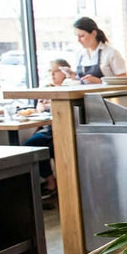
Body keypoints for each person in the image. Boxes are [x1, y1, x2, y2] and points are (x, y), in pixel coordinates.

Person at [24, 59, 76, 199]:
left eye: (56, 71)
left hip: (66, 130)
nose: (52, 75)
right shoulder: (47, 88)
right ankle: (50, 182)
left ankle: (66, 188)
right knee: (31, 146)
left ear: (65, 72)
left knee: (58, 148)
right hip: (48, 129)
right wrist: (41, 107)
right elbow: (39, 108)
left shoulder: (72, 87)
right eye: (50, 72)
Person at [73, 17, 127, 84]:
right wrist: (72, 75)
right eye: (76, 36)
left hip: (107, 93)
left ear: (94, 33)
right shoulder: (79, 54)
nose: (78, 40)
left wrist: (100, 81)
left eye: (81, 36)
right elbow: (79, 79)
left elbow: (123, 79)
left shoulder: (111, 53)